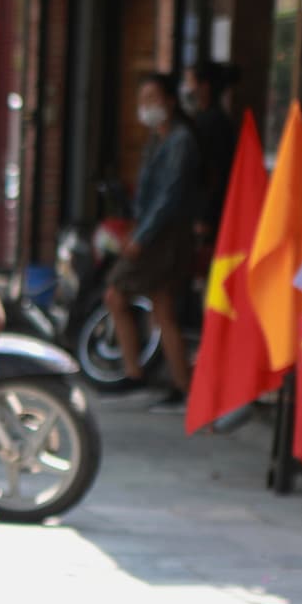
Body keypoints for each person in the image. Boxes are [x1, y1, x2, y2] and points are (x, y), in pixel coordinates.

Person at [104, 71, 201, 409]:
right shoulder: (157, 139)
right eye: (142, 101)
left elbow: (169, 196)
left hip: (164, 237)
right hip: (155, 232)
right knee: (162, 309)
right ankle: (178, 382)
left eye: (152, 100)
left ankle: (143, 374)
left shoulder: (180, 140)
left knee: (119, 295)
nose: (145, 107)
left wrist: (141, 236)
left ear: (170, 102)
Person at [182, 61, 236, 240]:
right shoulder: (204, 119)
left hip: (208, 217)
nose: (186, 88)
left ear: (204, 87)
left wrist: (205, 216)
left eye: (189, 82)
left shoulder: (212, 123)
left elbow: (216, 173)